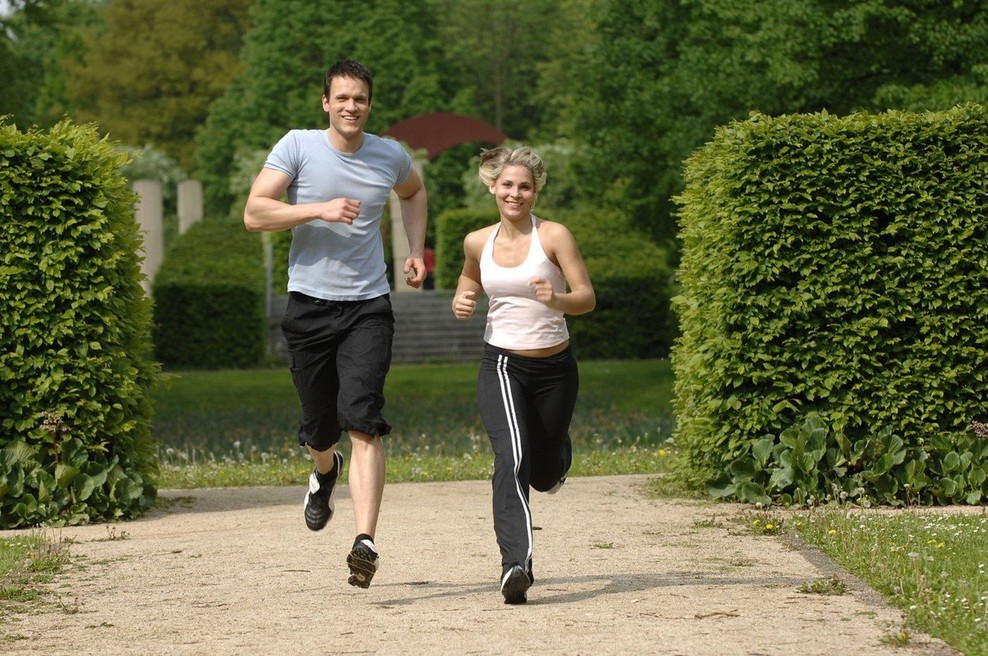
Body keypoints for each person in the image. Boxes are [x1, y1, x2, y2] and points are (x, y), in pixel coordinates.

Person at [244, 58, 427, 589]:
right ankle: (324, 471)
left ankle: (364, 540)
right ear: (326, 102)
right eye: (342, 98)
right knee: (318, 428)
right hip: (309, 305)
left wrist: (415, 248)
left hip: (369, 304)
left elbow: (413, 193)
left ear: (370, 105)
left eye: (361, 99)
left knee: (363, 417)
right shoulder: (298, 146)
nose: (352, 107)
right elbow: (255, 211)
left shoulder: (390, 154)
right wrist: (317, 210)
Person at [451, 146, 595, 604]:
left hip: (555, 369)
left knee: (543, 471)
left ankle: (555, 454)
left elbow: (586, 297)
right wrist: (463, 298)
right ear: (492, 186)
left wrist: (557, 300)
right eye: (507, 185)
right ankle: (516, 564)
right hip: (502, 364)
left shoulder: (554, 236)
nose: (515, 193)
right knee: (511, 458)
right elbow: (470, 277)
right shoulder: (477, 241)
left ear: (536, 191)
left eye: (525, 186)